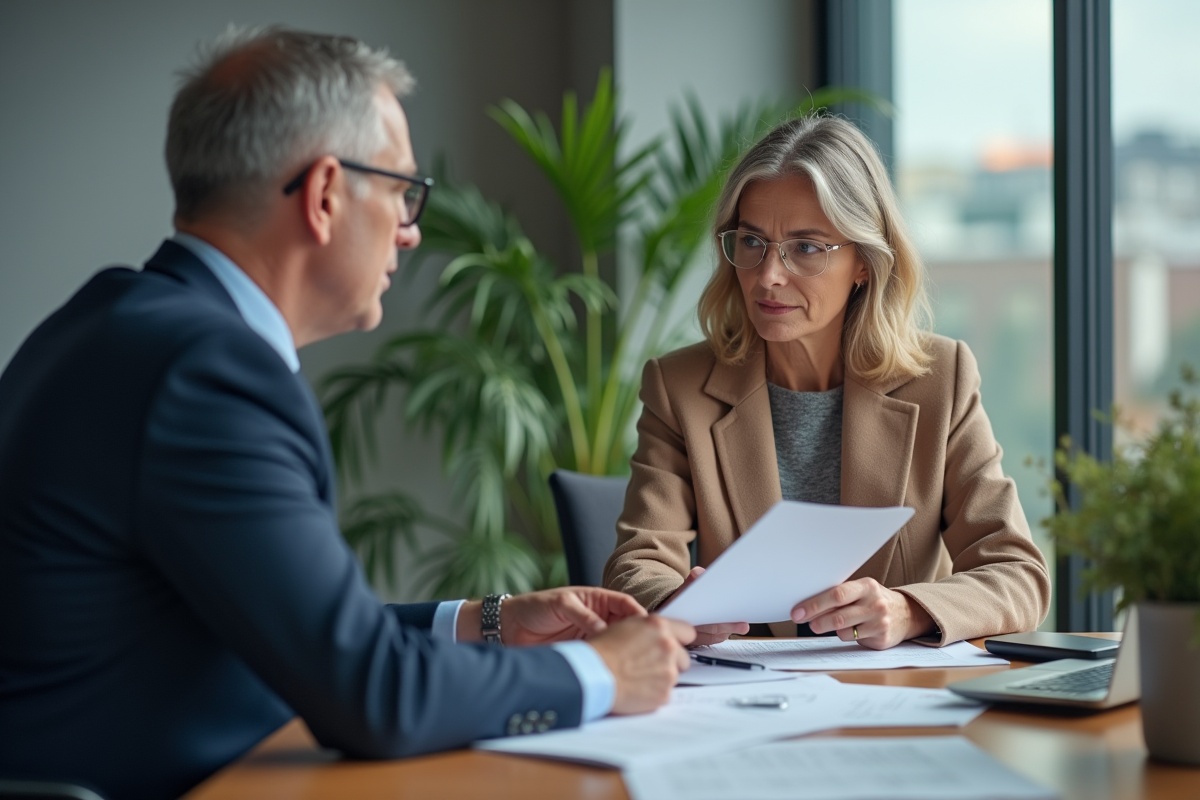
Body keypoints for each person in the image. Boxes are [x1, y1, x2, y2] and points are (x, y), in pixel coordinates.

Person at [0, 28, 694, 800]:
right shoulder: (210, 374)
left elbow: (293, 632)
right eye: (403, 191)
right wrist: (600, 670)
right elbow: (373, 699)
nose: (412, 229)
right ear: (326, 193)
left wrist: (487, 620)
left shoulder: (112, 320)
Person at [603, 115, 1050, 649]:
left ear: (863, 260)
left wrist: (909, 609)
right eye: (752, 241)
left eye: (806, 247)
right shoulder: (680, 387)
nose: (768, 274)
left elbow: (1019, 576)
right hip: (748, 702)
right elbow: (638, 565)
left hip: (894, 705)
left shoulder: (940, 380)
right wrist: (673, 607)